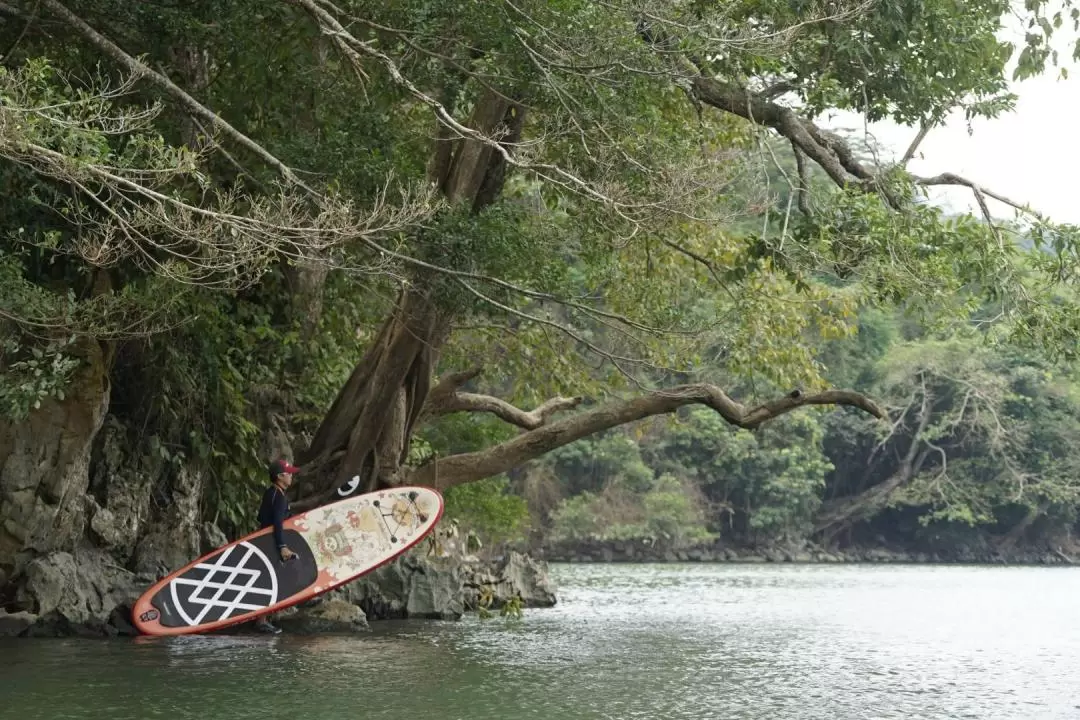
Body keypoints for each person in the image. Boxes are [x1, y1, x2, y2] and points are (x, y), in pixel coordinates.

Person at [253, 457, 300, 634]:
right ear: (280, 476)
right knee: (271, 581)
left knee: (270, 578)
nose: (291, 477)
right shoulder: (279, 497)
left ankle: (266, 617)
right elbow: (278, 523)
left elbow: (261, 518)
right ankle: (262, 621)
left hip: (264, 540)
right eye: (289, 474)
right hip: (271, 542)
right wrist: (282, 546)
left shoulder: (270, 493)